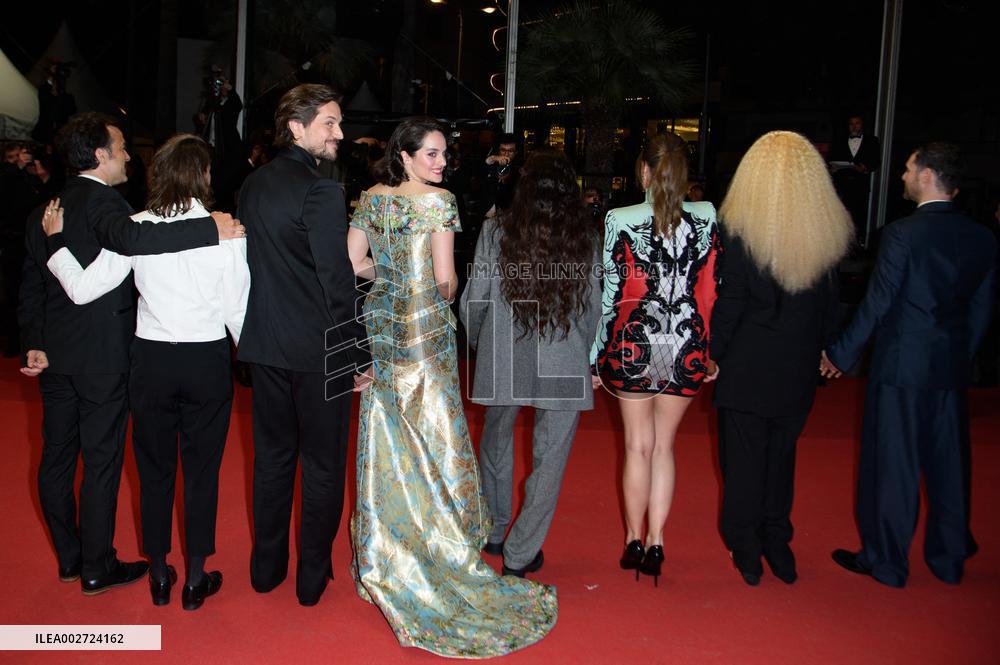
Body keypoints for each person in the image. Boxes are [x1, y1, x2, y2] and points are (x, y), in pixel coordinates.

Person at [347, 117, 556, 657]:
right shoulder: (438, 203)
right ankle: (437, 541)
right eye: (433, 154)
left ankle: (386, 548)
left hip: (382, 323)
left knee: (388, 428)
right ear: (407, 154)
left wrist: (389, 275)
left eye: (443, 154)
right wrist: (439, 285)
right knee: (433, 430)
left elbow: (353, 261)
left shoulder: (370, 197)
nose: (442, 163)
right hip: (422, 327)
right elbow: (446, 279)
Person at [18, 112, 242, 596]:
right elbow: (235, 310)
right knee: (181, 469)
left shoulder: (75, 211)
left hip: (119, 361)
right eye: (120, 147)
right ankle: (182, 575)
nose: (126, 157)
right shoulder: (209, 228)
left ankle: (130, 570)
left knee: (123, 467)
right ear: (204, 175)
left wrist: (55, 247)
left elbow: (61, 284)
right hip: (173, 360)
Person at [822, 142, 996, 588]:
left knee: (893, 465)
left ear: (926, 176)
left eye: (907, 168)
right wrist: (961, 357)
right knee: (950, 464)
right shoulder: (982, 237)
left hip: (901, 368)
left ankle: (887, 562)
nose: (901, 175)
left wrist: (839, 354)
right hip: (950, 369)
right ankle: (949, 559)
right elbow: (981, 311)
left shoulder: (902, 234)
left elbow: (877, 303)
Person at [236, 84, 370, 607]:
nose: (339, 133)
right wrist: (356, 352)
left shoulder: (252, 185)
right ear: (297, 127)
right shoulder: (322, 191)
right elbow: (337, 281)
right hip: (319, 351)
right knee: (321, 465)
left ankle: (266, 569)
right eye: (330, 124)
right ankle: (311, 576)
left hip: (264, 345)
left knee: (271, 461)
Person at [706, 131, 853, 586]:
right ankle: (777, 542)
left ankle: (746, 548)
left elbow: (731, 301)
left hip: (748, 364)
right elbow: (832, 301)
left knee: (743, 460)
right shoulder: (827, 226)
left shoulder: (740, 227)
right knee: (781, 457)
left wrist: (713, 354)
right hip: (797, 363)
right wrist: (829, 347)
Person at [461, 149, 602, 578]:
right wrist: (588, 356)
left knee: (496, 443)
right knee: (550, 459)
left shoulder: (496, 230)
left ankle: (496, 530)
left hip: (503, 352)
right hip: (563, 355)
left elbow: (475, 300)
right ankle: (521, 554)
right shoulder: (586, 236)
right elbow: (594, 307)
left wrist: (479, 342)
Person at [590, 132, 719, 586]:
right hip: (684, 344)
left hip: (634, 343)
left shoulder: (619, 218)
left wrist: (594, 356)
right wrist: (706, 350)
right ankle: (658, 540)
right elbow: (707, 293)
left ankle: (632, 540)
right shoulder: (706, 217)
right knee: (665, 447)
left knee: (636, 447)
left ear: (643, 171)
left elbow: (610, 295)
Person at [829, 114, 881, 247]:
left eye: (857, 123)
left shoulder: (872, 141)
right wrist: (833, 167)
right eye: (851, 123)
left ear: (862, 125)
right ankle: (841, 244)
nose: (854, 126)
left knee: (859, 215)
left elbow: (876, 161)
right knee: (841, 215)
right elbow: (832, 158)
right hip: (842, 185)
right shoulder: (839, 140)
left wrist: (866, 168)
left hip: (860, 185)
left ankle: (858, 244)